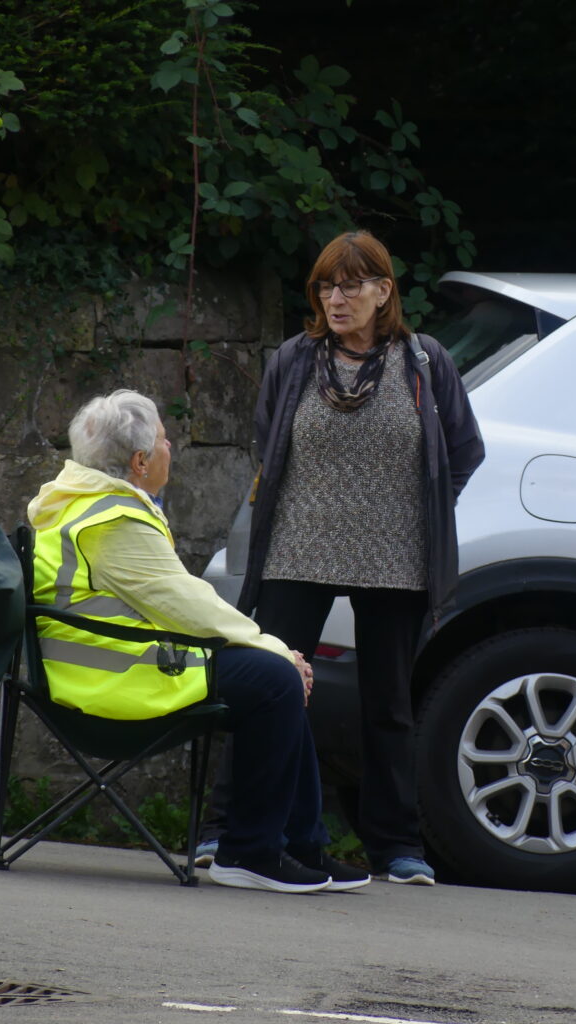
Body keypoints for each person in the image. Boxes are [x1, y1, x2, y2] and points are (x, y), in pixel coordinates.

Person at [197, 229, 485, 885]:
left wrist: (422, 510)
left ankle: (396, 846)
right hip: (297, 549)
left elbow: (464, 451)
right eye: (326, 286)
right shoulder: (295, 359)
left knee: (388, 705)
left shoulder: (424, 361)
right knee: (268, 686)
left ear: (384, 291)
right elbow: (269, 443)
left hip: (396, 557)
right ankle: (228, 829)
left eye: (351, 285)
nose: (336, 298)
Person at [27, 389, 370, 895]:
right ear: (140, 461)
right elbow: (189, 607)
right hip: (111, 683)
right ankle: (250, 851)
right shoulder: (113, 522)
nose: (172, 448)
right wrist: (276, 648)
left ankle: (300, 843)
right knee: (275, 678)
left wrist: (269, 650)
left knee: (272, 675)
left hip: (103, 670)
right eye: (165, 440)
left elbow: (176, 606)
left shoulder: (80, 500)